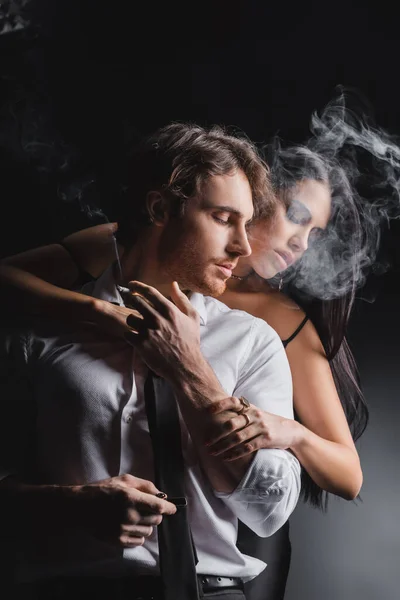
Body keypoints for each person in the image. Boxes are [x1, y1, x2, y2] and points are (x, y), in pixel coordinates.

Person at [0, 137, 367, 600]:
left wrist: (192, 369)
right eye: (225, 218)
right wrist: (71, 506)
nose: (242, 243)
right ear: (158, 209)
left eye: (246, 222)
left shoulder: (262, 334)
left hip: (213, 584)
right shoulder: (60, 309)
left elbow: (293, 500)